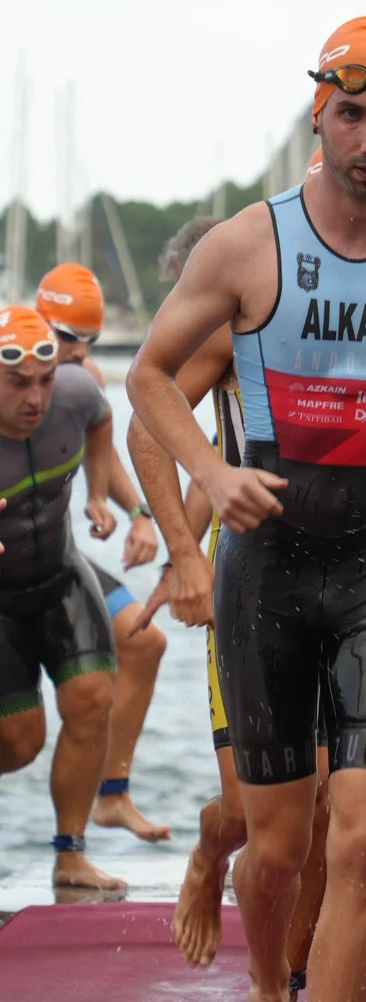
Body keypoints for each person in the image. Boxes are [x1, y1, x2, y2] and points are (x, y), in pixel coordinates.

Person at [127, 14, 366, 1002]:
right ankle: (262, 988)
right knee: (277, 843)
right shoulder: (249, 247)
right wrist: (205, 498)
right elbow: (149, 383)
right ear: (320, 116)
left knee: (363, 840)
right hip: (267, 575)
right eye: (353, 115)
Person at [127, 203, 366, 1002]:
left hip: (362, 582)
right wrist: (183, 557)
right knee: (256, 823)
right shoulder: (234, 329)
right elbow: (155, 429)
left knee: (338, 819)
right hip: (258, 582)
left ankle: (289, 992)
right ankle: (212, 857)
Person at [36, 264, 169, 843]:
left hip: (54, 557)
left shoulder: (82, 380)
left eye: (87, 341)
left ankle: (112, 795)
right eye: (66, 337)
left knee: (143, 641)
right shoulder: (11, 374)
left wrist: (138, 512)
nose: (77, 352)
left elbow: (100, 452)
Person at [0, 305, 125, 890]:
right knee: (21, 743)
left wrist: (99, 493)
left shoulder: (76, 393)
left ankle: (70, 856)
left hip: (59, 576)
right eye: (18, 383)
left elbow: (102, 420)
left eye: (44, 380)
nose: (36, 398)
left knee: (93, 697)